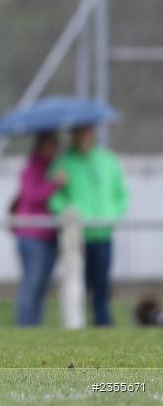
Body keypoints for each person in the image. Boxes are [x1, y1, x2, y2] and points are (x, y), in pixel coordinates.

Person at [49, 125, 128, 326]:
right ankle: (77, 327)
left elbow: (121, 194)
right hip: (77, 236)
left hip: (102, 234)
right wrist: (68, 212)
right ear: (73, 135)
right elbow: (53, 197)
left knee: (101, 288)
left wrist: (112, 214)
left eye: (86, 133)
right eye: (79, 133)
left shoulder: (107, 160)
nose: (83, 137)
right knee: (77, 286)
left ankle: (103, 326)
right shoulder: (63, 162)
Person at [11, 131, 61, 326]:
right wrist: (54, 184)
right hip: (31, 237)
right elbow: (32, 196)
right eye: (51, 146)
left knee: (42, 287)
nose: (54, 150)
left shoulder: (55, 168)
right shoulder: (30, 170)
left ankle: (35, 328)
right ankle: (24, 327)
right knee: (30, 287)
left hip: (49, 236)